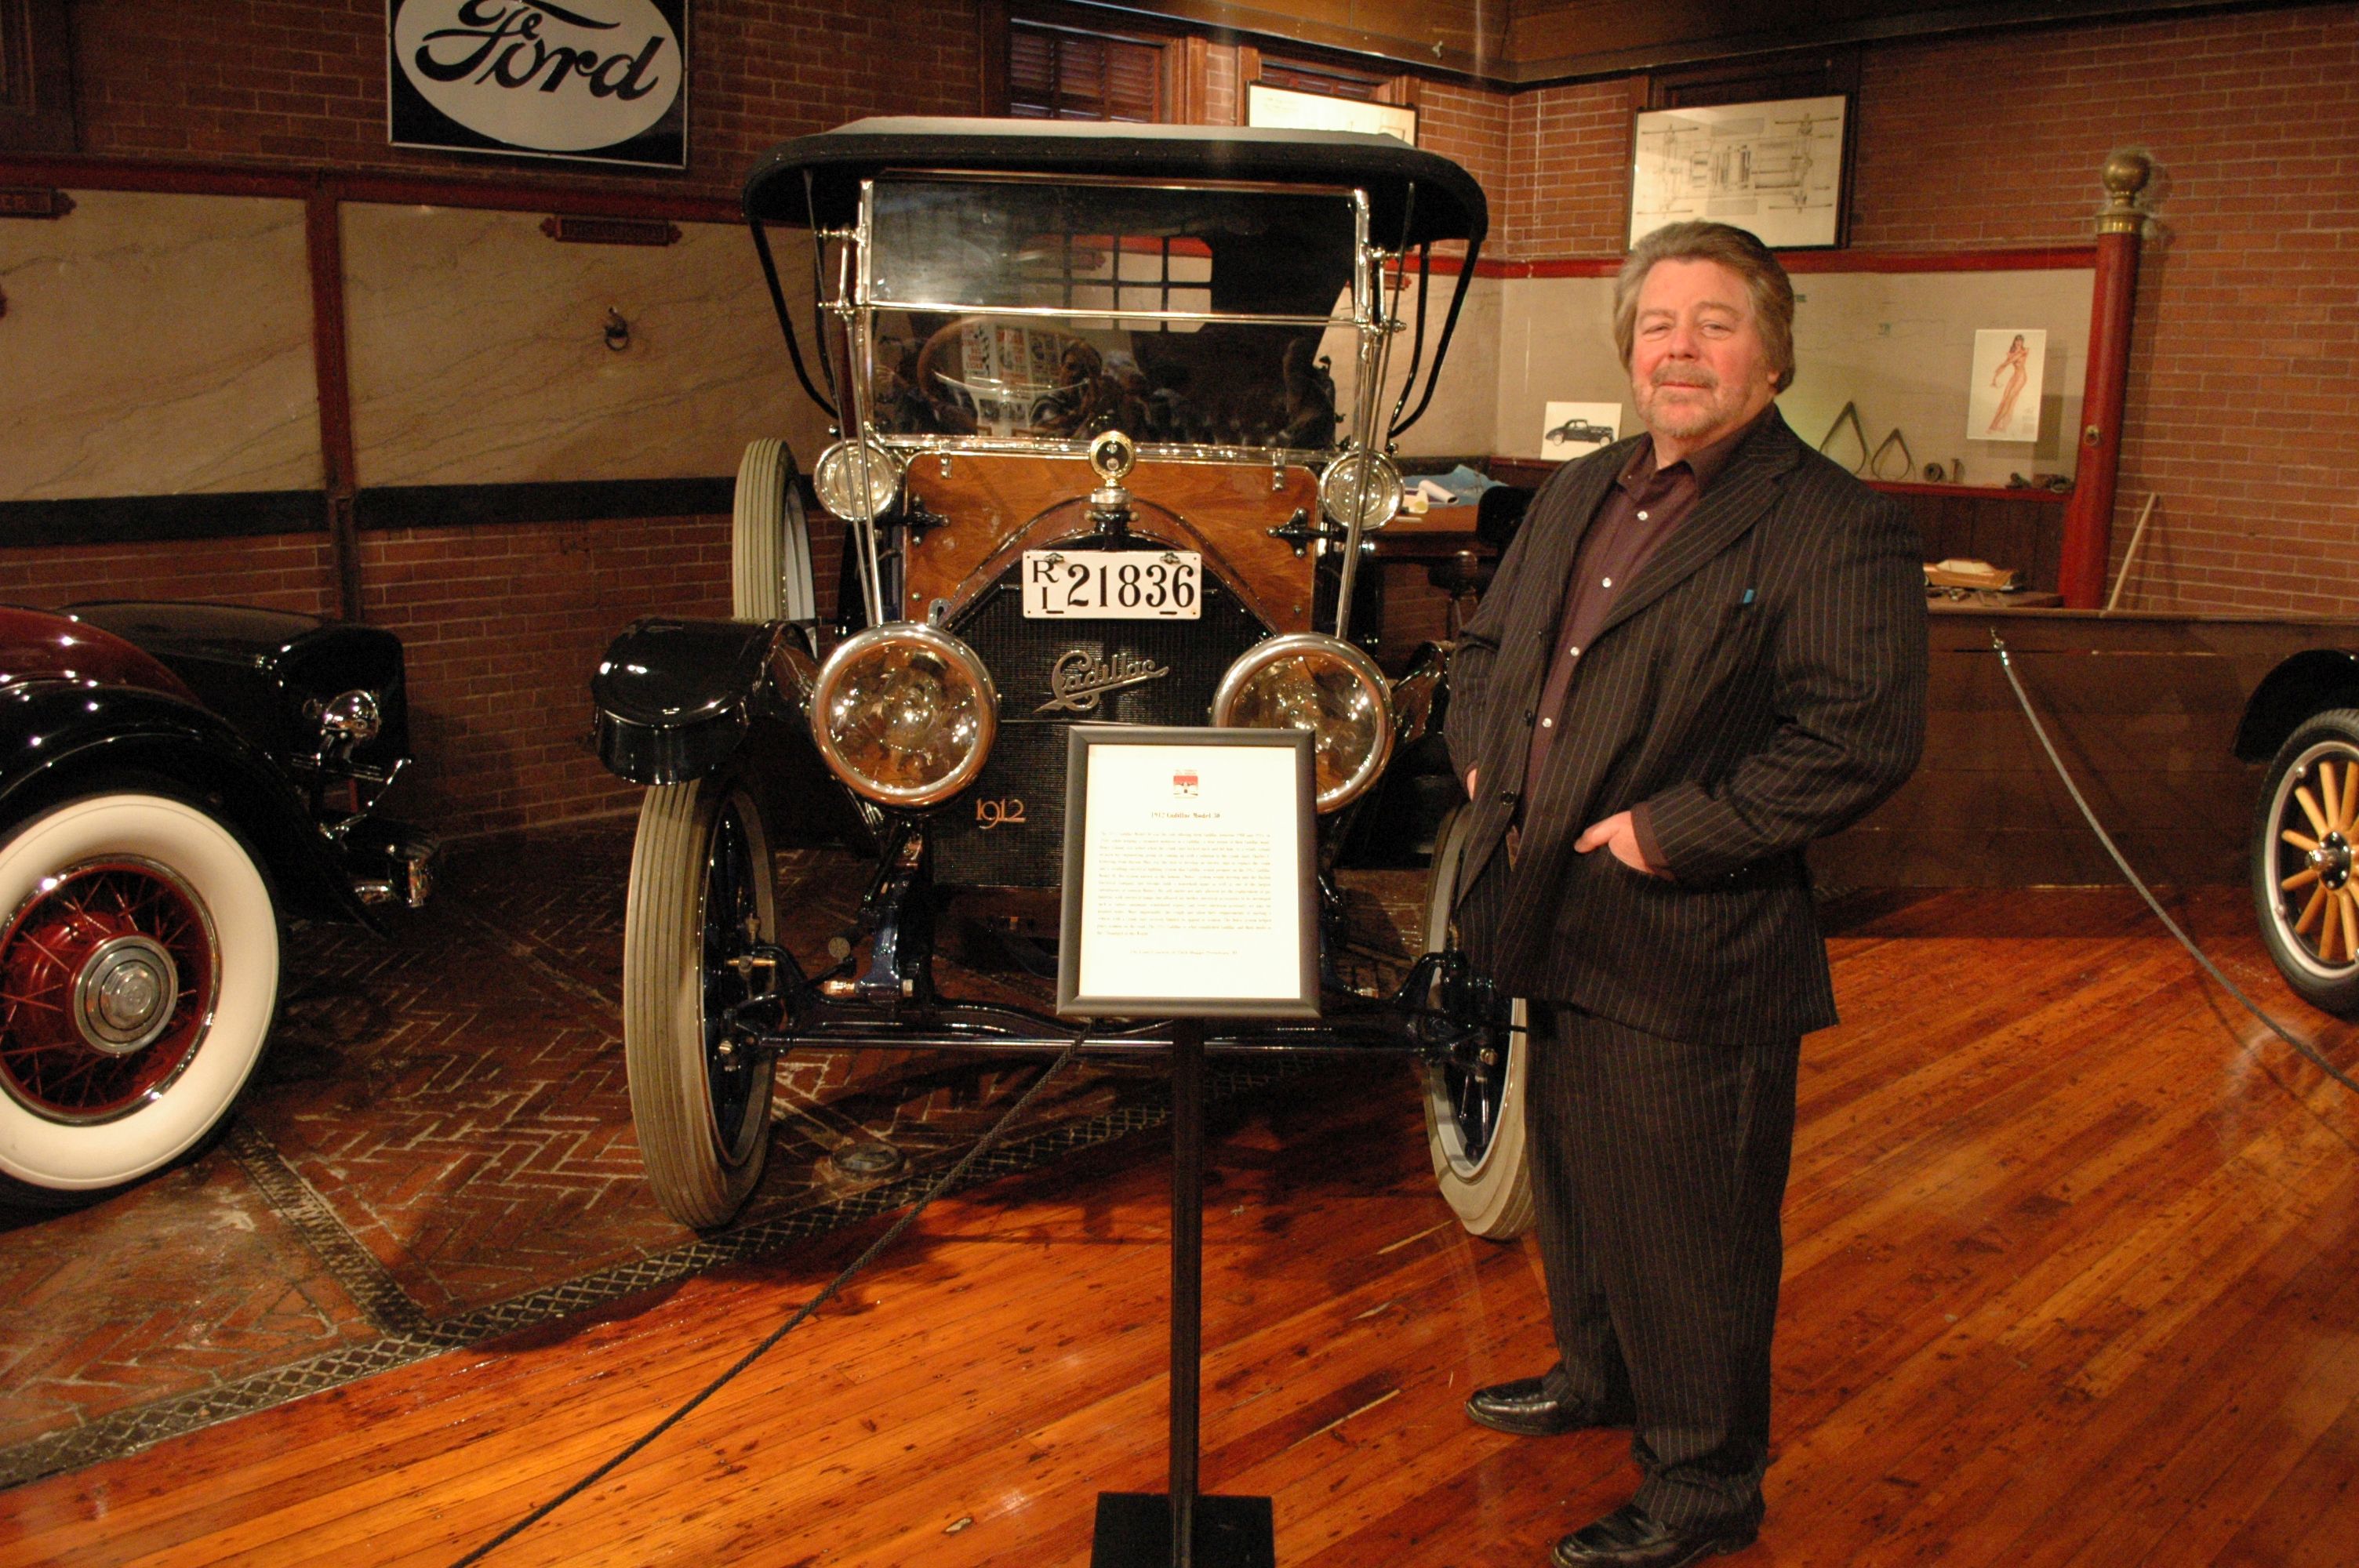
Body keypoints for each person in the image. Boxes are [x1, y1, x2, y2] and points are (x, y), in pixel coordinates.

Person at [1442, 220, 1927, 1568]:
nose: (1680, 348)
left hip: (1691, 933)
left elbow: (1856, 739)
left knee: (1693, 1223)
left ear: (1770, 354)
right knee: (1583, 1176)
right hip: (1550, 905)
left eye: (1714, 323)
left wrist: (1670, 834)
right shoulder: (1582, 485)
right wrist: (1483, 751)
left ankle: (1704, 1487)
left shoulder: (1838, 526)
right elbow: (1487, 648)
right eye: (1658, 323)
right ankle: (1596, 1375)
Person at [1987, 332, 2030, 434]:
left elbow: (2008, 363)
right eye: (2017, 340)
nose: (2019, 343)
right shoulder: (2011, 353)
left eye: (2021, 341)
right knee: (2006, 401)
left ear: (2023, 342)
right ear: (2014, 341)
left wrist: (2003, 365)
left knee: (2009, 400)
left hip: (2021, 378)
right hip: (2014, 377)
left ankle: (1994, 425)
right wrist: (1995, 377)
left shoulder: (2025, 351)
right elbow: (2004, 366)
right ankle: (2003, 427)